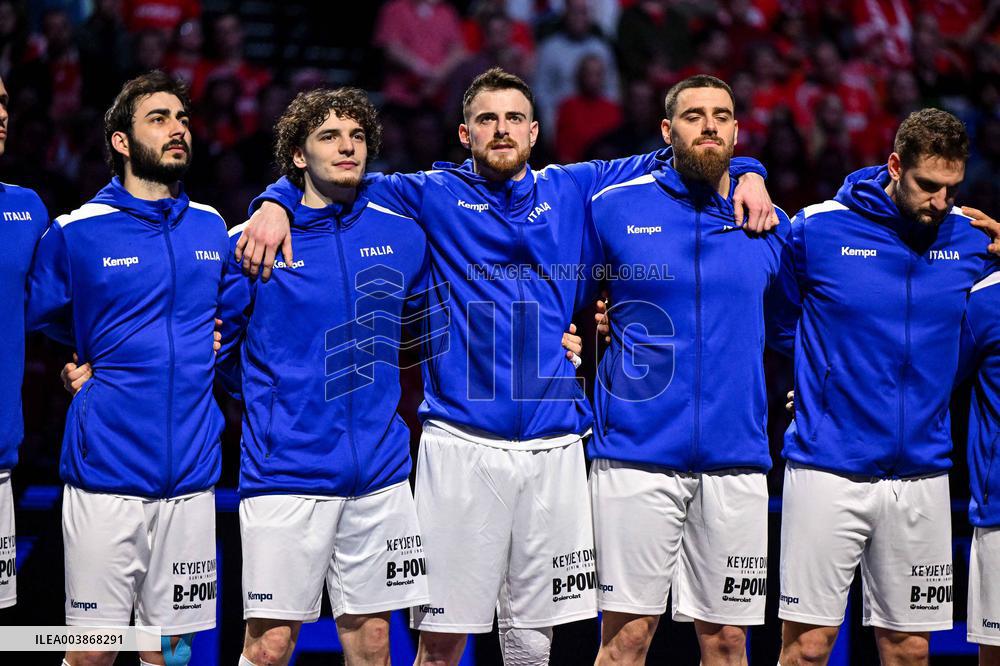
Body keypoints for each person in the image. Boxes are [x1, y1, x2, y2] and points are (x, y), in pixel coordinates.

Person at [236, 68, 776, 665]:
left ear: (535, 130)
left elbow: (689, 147)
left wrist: (750, 172)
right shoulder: (429, 195)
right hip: (460, 444)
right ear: (465, 133)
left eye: (514, 118)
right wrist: (274, 201)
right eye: (487, 120)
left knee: (531, 640)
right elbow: (337, 179)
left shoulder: (576, 188)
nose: (502, 130)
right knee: (441, 641)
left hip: (555, 446)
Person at [774, 108, 1000, 666]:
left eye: (952, 188)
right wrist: (814, 376)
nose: (940, 202)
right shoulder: (818, 228)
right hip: (827, 465)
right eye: (928, 186)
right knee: (806, 648)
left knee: (909, 651)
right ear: (895, 165)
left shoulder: (968, 240)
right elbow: (778, 319)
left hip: (923, 474)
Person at [217, 87, 433, 666]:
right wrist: (274, 405)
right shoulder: (252, 243)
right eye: (329, 136)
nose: (347, 147)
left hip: (382, 474)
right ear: (297, 155)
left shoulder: (404, 234)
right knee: (269, 645)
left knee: (374, 641)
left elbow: (424, 328)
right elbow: (216, 346)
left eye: (357, 136)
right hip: (284, 472)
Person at [587, 75, 792, 666]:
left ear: (736, 129)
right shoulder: (614, 206)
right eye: (694, 115)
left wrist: (814, 384)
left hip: (737, 461)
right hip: (635, 457)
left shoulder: (768, 224)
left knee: (728, 643)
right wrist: (583, 332)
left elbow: (798, 327)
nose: (709, 125)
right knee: (626, 639)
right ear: (666, 130)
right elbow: (557, 292)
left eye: (722, 115)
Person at [27, 70, 227, 666]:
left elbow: (231, 319)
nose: (177, 130)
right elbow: (42, 318)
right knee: (91, 655)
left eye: (182, 119)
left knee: (173, 655)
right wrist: (81, 359)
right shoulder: (74, 231)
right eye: (159, 119)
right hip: (105, 474)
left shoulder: (212, 226)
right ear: (121, 140)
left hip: (191, 479)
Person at [0, 74, 49, 612]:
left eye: (5, 102)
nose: (1, 113)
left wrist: (84, 357)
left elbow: (57, 310)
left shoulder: (27, 210)